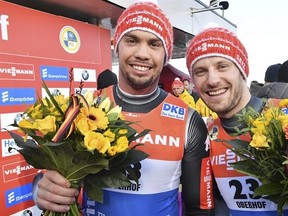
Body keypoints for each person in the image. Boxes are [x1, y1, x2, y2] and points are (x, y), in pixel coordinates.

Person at [33, 2, 213, 216]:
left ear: (166, 55)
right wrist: (40, 190)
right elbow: (47, 177)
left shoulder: (188, 119)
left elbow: (199, 208)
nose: (142, 54)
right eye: (132, 40)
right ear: (116, 45)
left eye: (154, 44)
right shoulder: (83, 107)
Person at [186, 26, 288, 215]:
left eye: (222, 66)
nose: (212, 80)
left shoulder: (281, 114)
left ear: (242, 71)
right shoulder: (203, 136)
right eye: (200, 71)